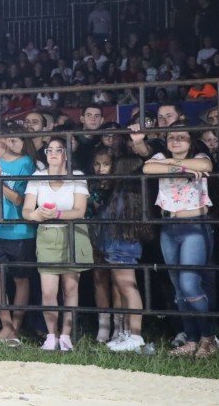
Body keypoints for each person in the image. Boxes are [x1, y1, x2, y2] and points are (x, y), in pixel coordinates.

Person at [143, 124, 216, 357]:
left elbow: (205, 166)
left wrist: (173, 164)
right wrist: (177, 165)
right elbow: (147, 168)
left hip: (194, 224)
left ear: (190, 140)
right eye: (171, 137)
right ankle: (192, 339)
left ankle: (208, 336)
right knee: (178, 287)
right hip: (168, 227)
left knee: (189, 283)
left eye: (181, 137)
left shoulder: (199, 156)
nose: (176, 141)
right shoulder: (160, 157)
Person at [22, 138, 92, 351]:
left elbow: (80, 211)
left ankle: (66, 335)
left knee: (70, 288)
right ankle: (51, 335)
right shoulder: (37, 178)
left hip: (73, 234)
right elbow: (26, 211)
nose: (52, 154)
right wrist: (35, 214)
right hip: (47, 235)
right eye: (49, 150)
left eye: (58, 150)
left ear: (66, 154)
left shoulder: (77, 177)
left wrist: (56, 214)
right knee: (48, 292)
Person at [0, 125, 36, 347]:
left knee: (20, 278)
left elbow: (20, 200)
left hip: (19, 229)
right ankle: (7, 326)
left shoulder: (25, 162)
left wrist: (0, 179)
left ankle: (16, 327)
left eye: (0, 142)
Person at [99, 156, 152, 352]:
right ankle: (128, 333)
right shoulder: (133, 193)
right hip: (120, 245)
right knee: (124, 289)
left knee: (129, 288)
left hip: (121, 246)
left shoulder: (123, 195)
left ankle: (135, 335)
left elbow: (108, 217)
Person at [87, 147, 118, 343]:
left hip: (115, 234)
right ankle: (103, 326)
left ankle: (120, 325)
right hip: (94, 233)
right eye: (97, 164)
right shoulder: (90, 184)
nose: (101, 168)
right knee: (99, 277)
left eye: (106, 164)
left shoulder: (119, 185)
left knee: (118, 278)